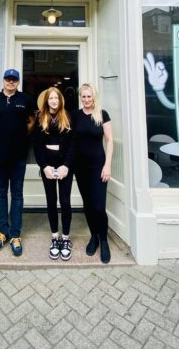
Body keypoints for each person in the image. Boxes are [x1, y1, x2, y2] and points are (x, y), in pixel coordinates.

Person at [0, 68, 35, 257]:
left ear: (18, 82)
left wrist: (20, 135)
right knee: (0, 192)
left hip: (19, 156)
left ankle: (15, 234)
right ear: (3, 80)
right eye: (8, 79)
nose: (11, 82)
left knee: (17, 194)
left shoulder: (25, 100)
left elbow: (31, 121)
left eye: (14, 80)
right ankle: (2, 232)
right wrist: (1, 135)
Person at [72, 83, 113, 264]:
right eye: (83, 97)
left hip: (98, 166)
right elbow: (70, 141)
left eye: (89, 97)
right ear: (80, 97)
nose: (86, 100)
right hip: (80, 167)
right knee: (88, 205)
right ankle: (94, 236)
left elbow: (110, 141)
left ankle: (104, 241)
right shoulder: (75, 116)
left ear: (94, 97)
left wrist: (107, 165)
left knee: (98, 206)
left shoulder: (102, 115)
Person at [33, 87, 75, 261]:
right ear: (46, 101)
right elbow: (36, 145)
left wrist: (66, 165)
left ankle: (65, 239)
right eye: (51, 98)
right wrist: (44, 166)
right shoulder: (40, 117)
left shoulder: (68, 116)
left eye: (56, 98)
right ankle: (55, 237)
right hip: (48, 167)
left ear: (60, 100)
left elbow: (73, 144)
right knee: (51, 200)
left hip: (65, 166)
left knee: (65, 201)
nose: (54, 101)